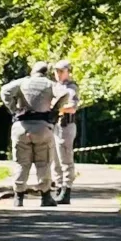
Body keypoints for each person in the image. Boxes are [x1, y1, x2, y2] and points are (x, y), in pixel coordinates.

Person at [0, 62, 66, 204]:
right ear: (46, 72)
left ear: (32, 71)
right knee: (44, 163)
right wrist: (54, 111)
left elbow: (4, 90)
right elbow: (64, 94)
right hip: (42, 127)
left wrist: (13, 109)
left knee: (21, 163)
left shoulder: (23, 82)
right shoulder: (50, 84)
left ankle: (18, 198)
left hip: (21, 127)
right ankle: (45, 196)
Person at [50, 60, 82, 205]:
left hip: (65, 124)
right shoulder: (53, 86)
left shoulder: (71, 88)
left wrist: (56, 108)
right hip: (53, 125)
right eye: (56, 71)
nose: (58, 74)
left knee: (65, 159)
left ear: (68, 72)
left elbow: (73, 107)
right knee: (55, 159)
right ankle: (58, 187)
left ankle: (66, 189)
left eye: (61, 71)